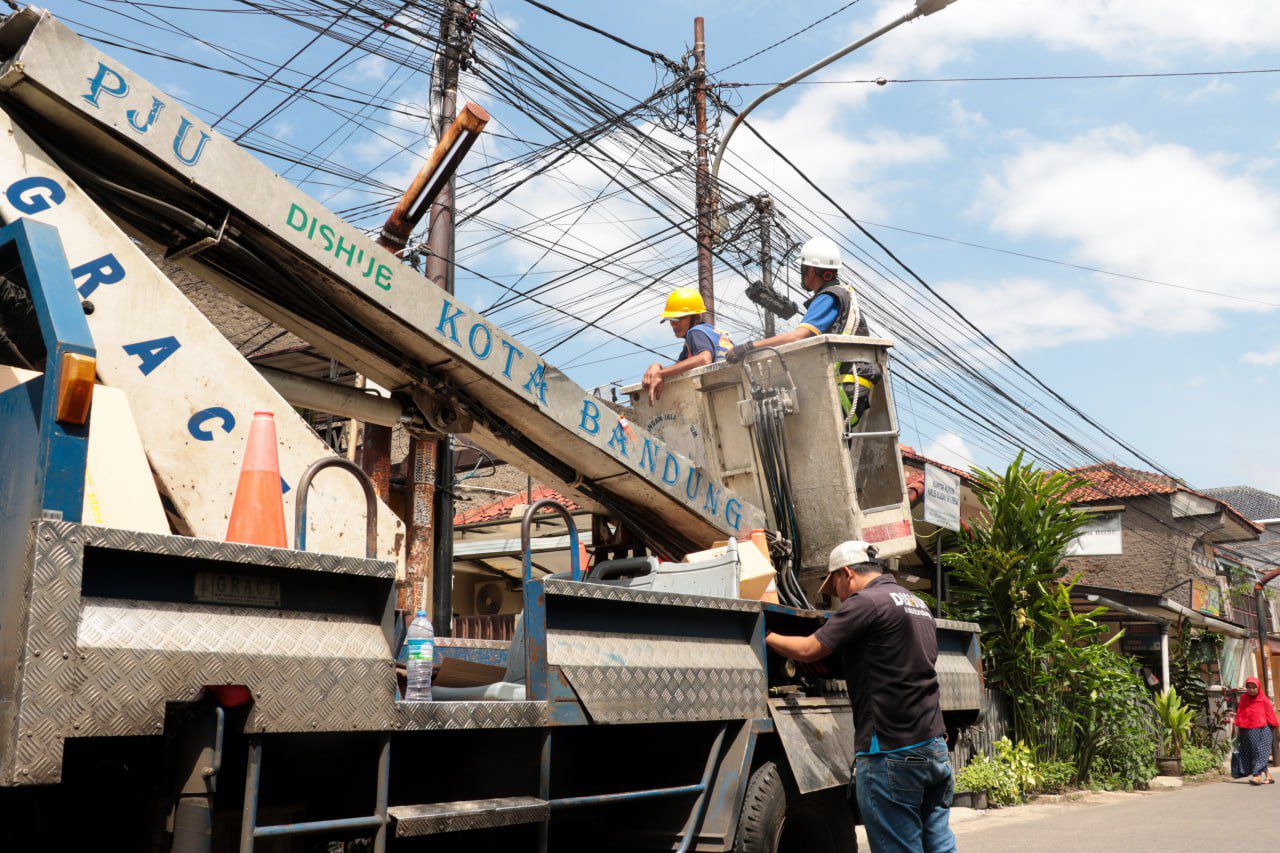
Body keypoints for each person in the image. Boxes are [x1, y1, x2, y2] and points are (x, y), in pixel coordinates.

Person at [766, 541, 954, 853]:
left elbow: (809, 648)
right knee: (940, 847)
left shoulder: (865, 602)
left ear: (847, 573)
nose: (837, 595)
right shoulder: (916, 603)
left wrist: (766, 636)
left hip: (892, 751)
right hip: (933, 747)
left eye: (835, 584)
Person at [725, 235, 880, 426]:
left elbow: (799, 336)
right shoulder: (842, 293)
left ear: (811, 270)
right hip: (853, 382)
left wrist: (749, 347)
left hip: (846, 384)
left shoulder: (829, 297)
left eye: (803, 269)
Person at [640, 287, 732, 405]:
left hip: (722, 395)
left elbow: (704, 359)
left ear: (696, 317)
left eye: (678, 319)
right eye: (671, 320)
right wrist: (657, 367)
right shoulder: (710, 333)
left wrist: (660, 374)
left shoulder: (695, 332)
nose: (674, 324)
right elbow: (679, 367)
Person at [1234, 676, 1278, 785]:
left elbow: (1271, 714)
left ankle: (1257, 776)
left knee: (1260, 752)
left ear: (1258, 687)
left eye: (1254, 687)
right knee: (1255, 752)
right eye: (1249, 687)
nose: (1252, 690)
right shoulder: (1244, 698)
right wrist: (1239, 728)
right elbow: (1240, 712)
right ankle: (1268, 776)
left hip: (1264, 729)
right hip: (1248, 729)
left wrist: (1275, 727)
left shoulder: (1263, 699)